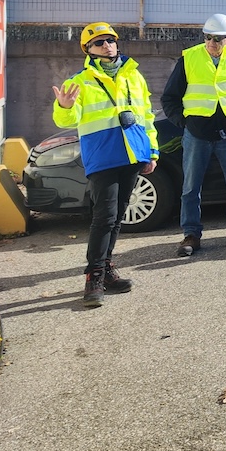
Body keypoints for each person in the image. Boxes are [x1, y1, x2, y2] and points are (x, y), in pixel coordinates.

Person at [52, 22, 159, 308]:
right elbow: (66, 120)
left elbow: (146, 115)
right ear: (87, 49)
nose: (107, 46)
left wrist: (152, 151)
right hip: (103, 156)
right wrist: (64, 106)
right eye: (99, 43)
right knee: (104, 217)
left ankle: (107, 269)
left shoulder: (133, 75)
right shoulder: (80, 81)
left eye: (110, 40)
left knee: (118, 215)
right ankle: (94, 276)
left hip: (132, 154)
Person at [162, 13, 226, 257]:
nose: (212, 43)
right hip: (197, 133)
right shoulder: (189, 58)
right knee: (191, 187)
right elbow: (169, 98)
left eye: (218, 38)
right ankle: (191, 234)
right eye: (208, 37)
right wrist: (184, 121)